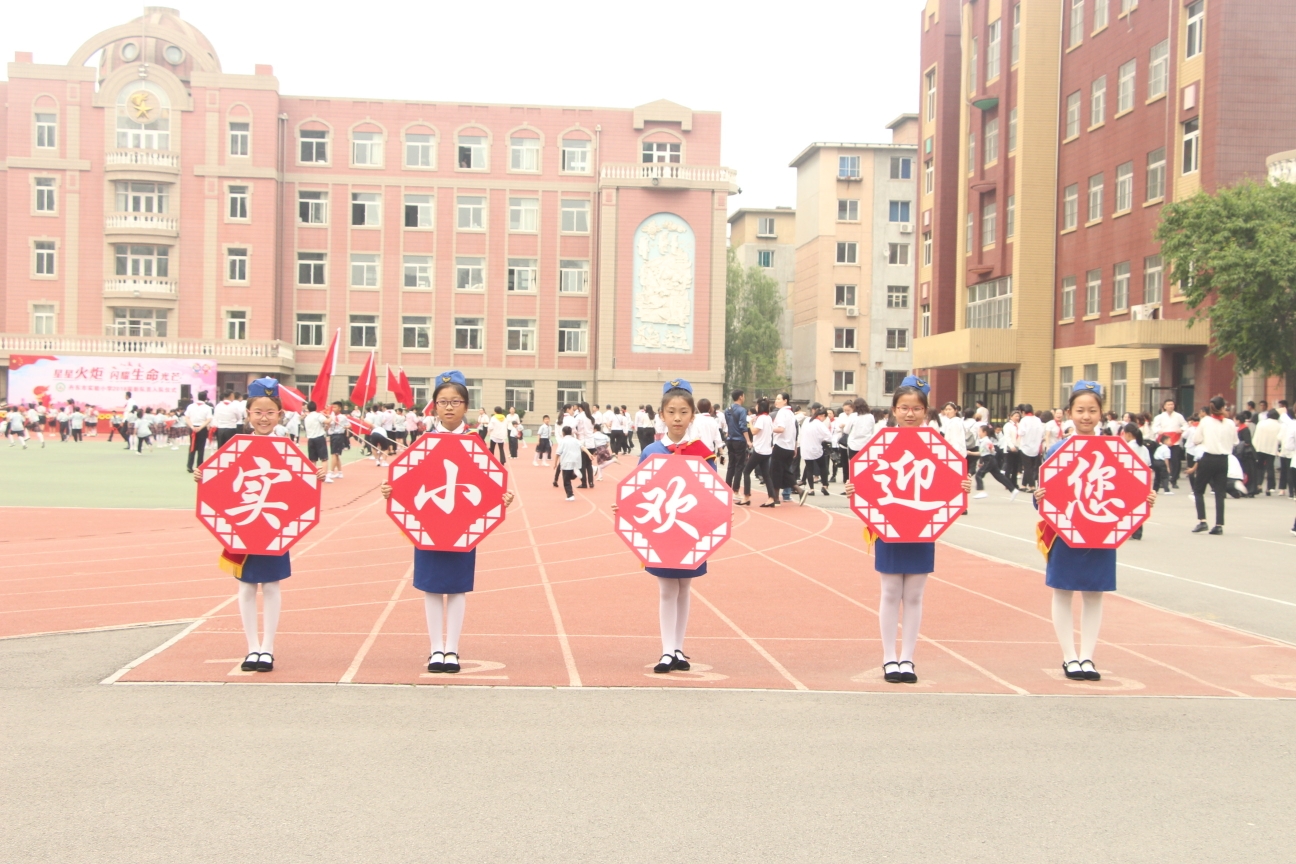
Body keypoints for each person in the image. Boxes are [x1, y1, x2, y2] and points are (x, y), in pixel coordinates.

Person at [380, 371, 515, 673]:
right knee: (431, 587)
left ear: (466, 406)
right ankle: (435, 650)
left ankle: (452, 650)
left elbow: (490, 484)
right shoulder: (423, 442)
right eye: (443, 402)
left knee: (456, 588)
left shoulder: (475, 442)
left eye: (456, 401)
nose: (449, 407)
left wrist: (501, 500)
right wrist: (391, 491)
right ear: (434, 407)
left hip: (462, 528)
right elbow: (406, 482)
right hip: (428, 527)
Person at [844, 377, 973, 684]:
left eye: (916, 408)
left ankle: (908, 659)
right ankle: (890, 658)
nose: (910, 413)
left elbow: (951, 481)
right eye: (904, 408)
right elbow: (866, 479)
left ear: (926, 411)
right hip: (888, 528)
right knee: (890, 592)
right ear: (894, 410)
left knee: (914, 595)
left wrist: (962, 486)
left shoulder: (937, 446)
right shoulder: (881, 442)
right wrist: (854, 488)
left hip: (922, 530)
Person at [194, 378, 326, 673]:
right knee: (245, 587)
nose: (264, 418)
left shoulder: (289, 447)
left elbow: (300, 489)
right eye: (258, 412)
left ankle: (268, 648)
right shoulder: (234, 447)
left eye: (270, 412)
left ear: (280, 415)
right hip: (243, 528)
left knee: (271, 586)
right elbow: (220, 484)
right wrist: (203, 479)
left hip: (273, 529)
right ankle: (251, 646)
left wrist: (314, 476)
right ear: (248, 414)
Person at [1035, 382, 1157, 681]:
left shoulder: (1116, 450)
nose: (1086, 416)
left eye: (1092, 410)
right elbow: (1045, 495)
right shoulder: (1057, 449)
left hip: (1101, 532)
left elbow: (1130, 489)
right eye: (1080, 411)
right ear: (1068, 414)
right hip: (1065, 531)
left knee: (1094, 594)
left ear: (1102, 414)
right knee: (1063, 591)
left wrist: (1145, 498)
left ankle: (1087, 657)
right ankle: (1069, 656)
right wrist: (1038, 497)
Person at [613, 379, 714, 674]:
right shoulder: (651, 451)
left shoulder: (703, 452)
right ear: (662, 415)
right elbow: (637, 491)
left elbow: (713, 494)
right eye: (671, 412)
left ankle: (679, 648)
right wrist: (625, 507)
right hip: (661, 532)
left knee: (685, 588)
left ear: (692, 415)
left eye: (684, 412)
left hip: (689, 530)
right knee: (667, 590)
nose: (678, 418)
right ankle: (667, 650)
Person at [1189, 396, 1238, 535]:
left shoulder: (1205, 421)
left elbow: (1196, 439)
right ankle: (1219, 524)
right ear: (1224, 407)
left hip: (1208, 458)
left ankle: (1202, 521)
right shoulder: (1230, 423)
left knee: (1199, 490)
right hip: (1223, 460)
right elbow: (1235, 441)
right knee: (1219, 492)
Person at [770, 393, 806, 505]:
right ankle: (799, 490)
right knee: (785, 471)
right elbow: (795, 431)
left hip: (781, 445)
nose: (776, 401)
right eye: (776, 398)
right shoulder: (791, 413)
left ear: (785, 400)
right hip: (789, 447)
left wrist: (768, 428)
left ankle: (775, 498)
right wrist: (794, 446)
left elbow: (781, 429)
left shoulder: (782, 413)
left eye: (778, 399)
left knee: (775, 472)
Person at [972, 424, 1017, 498]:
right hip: (990, 459)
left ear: (985, 432)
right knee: (999, 476)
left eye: (979, 431)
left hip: (989, 460)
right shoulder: (984, 441)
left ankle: (981, 491)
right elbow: (983, 452)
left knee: (978, 474)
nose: (978, 433)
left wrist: (991, 450)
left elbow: (991, 451)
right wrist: (970, 453)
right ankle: (1013, 489)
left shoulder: (986, 441)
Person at [1151, 400, 1188, 489]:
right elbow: (1154, 427)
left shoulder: (1178, 416)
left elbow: (1185, 425)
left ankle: (1174, 480)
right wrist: (1158, 431)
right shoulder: (1159, 417)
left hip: (1175, 441)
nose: (1171, 406)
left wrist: (1181, 429)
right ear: (1164, 406)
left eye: (1172, 404)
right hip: (1163, 440)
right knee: (1162, 462)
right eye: (1168, 404)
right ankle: (1161, 480)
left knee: (1175, 462)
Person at [723, 389, 751, 496]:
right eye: (743, 396)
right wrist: (748, 440)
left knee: (731, 464)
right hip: (739, 440)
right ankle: (736, 490)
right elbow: (743, 426)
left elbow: (729, 424)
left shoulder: (727, 409)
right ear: (740, 397)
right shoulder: (742, 410)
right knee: (739, 466)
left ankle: (727, 487)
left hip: (730, 439)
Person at [799, 407, 833, 496]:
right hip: (816, 448)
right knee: (822, 466)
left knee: (809, 468)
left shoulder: (807, 421)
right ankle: (824, 485)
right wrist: (822, 439)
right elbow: (828, 436)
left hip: (805, 448)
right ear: (822, 415)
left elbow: (802, 432)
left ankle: (811, 489)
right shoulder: (819, 424)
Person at [1253, 409, 1281, 496]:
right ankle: (1269, 488)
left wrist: (1255, 447)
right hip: (1271, 449)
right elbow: (1280, 438)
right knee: (1270, 468)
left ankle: (1258, 484)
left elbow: (1256, 436)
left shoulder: (1261, 423)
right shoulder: (1279, 426)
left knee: (1259, 467)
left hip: (1260, 448)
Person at [184, 391, 213, 472]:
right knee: (201, 448)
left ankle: (189, 466)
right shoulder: (207, 407)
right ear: (205, 398)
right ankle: (199, 466)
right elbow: (209, 419)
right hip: (202, 428)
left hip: (192, 428)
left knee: (192, 446)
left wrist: (192, 427)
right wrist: (200, 427)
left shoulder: (190, 406)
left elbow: (186, 417)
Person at [556, 426, 588, 500]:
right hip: (575, 462)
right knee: (570, 477)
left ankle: (570, 495)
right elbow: (583, 447)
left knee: (566, 480)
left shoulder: (562, 441)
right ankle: (574, 474)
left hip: (566, 462)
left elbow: (557, 453)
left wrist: (555, 464)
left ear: (563, 433)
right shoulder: (576, 440)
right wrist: (589, 454)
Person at [1017, 404, 1044, 491]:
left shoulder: (1024, 420)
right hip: (1035, 447)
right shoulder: (1038, 420)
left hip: (1025, 446)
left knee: (1027, 467)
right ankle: (1024, 485)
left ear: (1023, 412)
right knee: (1031, 467)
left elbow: (1021, 432)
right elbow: (1041, 432)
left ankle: (1032, 486)